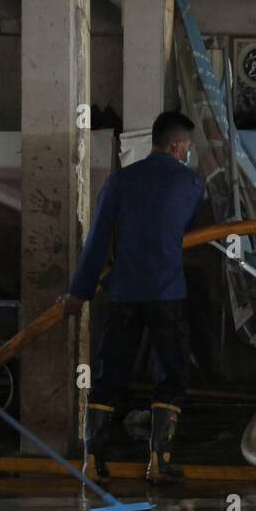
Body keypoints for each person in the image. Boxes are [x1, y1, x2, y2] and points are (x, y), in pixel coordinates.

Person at [63, 110, 205, 483]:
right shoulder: (191, 184)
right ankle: (159, 461)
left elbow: (95, 244)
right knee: (171, 375)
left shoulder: (119, 182)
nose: (188, 152)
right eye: (188, 146)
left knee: (109, 374)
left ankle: (91, 461)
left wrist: (79, 293)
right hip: (167, 293)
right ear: (177, 146)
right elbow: (192, 235)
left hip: (123, 293)